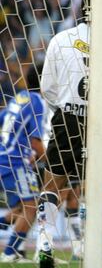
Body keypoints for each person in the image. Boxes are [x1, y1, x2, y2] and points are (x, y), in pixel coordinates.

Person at [38, 20, 102, 267]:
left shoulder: (61, 39)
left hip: (67, 117)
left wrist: (64, 106)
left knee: (53, 184)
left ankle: (44, 242)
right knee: (95, 188)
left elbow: (47, 87)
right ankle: (91, 248)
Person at [0, 65, 47, 263]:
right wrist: (52, 163)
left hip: (6, 155)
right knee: (32, 207)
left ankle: (13, 251)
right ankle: (10, 253)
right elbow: (36, 141)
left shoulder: (19, 97)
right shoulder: (38, 101)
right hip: (15, 161)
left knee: (21, 208)